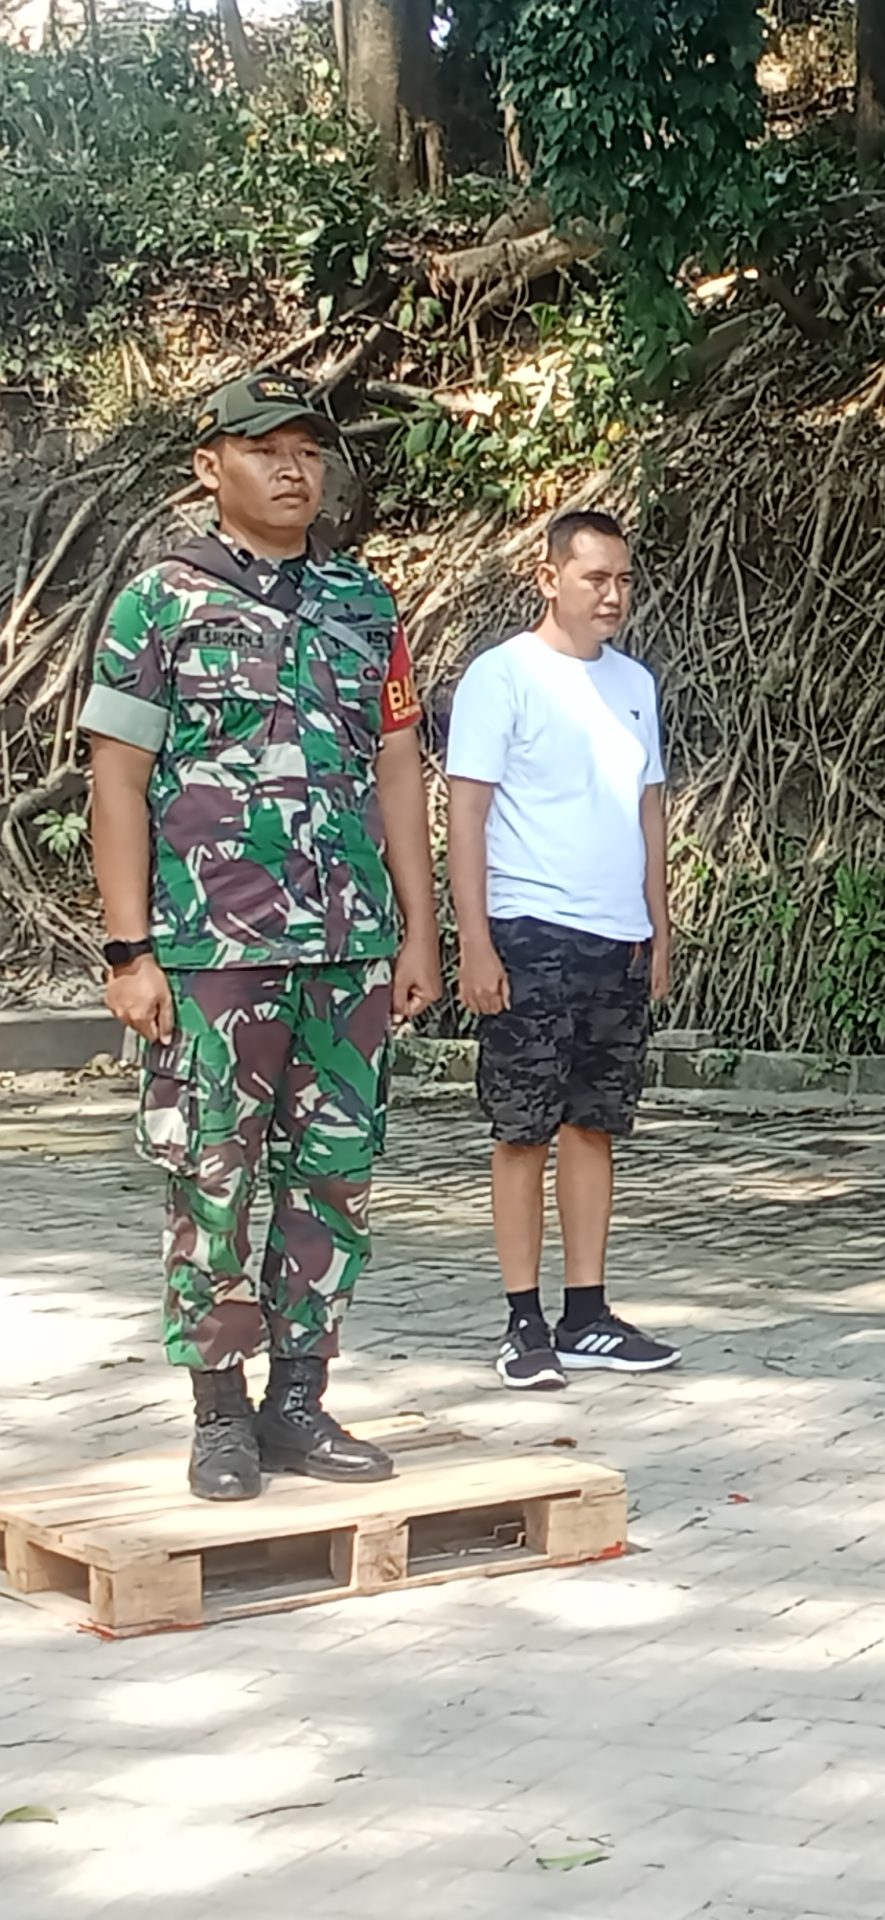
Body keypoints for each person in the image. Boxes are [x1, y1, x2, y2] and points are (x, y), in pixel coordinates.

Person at [80, 371, 442, 1502]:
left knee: (334, 1175)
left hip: (346, 953)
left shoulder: (363, 605)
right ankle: (220, 1413)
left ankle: (300, 1398)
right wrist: (129, 951)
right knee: (216, 1176)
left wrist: (418, 933)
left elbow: (394, 771)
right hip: (210, 953)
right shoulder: (160, 602)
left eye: (308, 450)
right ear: (210, 466)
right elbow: (117, 781)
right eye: (264, 448)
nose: (293, 468)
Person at [445, 510, 681, 1391]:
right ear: (548, 578)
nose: (613, 595)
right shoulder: (501, 677)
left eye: (623, 579)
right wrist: (474, 939)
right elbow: (465, 813)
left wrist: (657, 922)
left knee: (596, 1124)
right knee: (522, 1129)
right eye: (595, 578)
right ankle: (523, 1320)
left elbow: (648, 805)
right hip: (530, 927)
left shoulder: (634, 684)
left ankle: (589, 1312)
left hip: (616, 936)